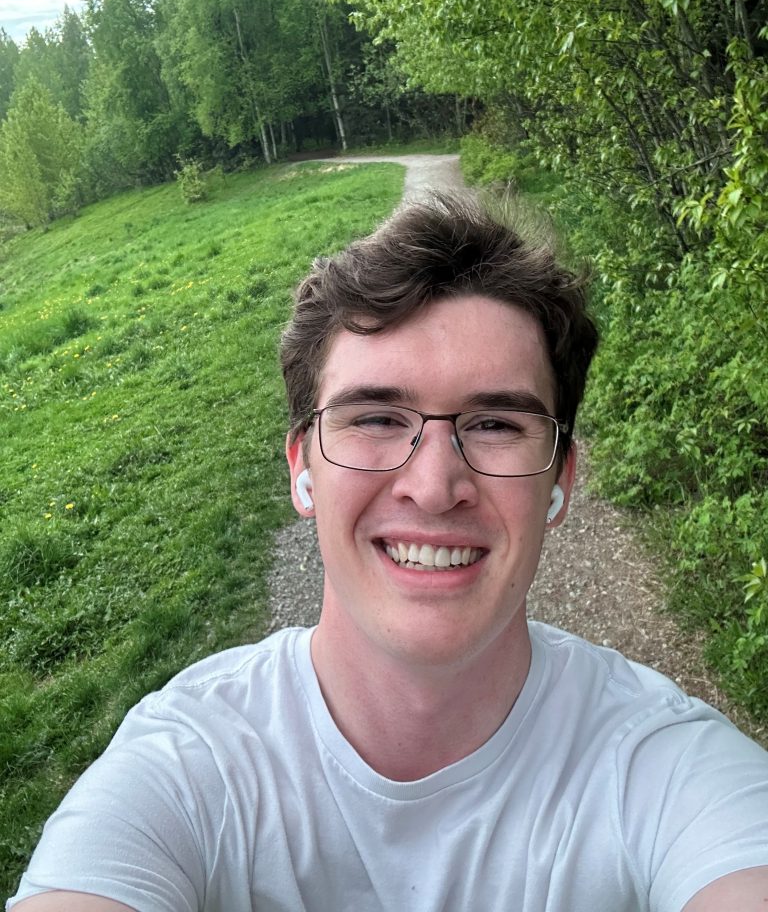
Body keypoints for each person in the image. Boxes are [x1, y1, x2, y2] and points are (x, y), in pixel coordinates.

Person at [8, 192, 768, 912]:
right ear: (303, 469)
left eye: (497, 425)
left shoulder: (663, 767)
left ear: (561, 482)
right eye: (375, 417)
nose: (435, 486)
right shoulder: (187, 767)